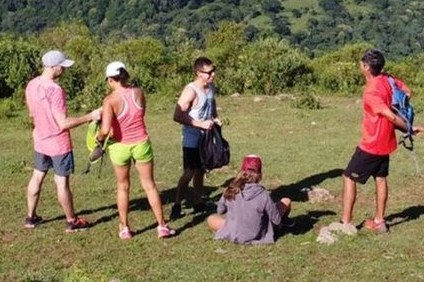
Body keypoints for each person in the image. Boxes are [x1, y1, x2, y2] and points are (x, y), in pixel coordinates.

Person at [340, 48, 423, 233]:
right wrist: (405, 120)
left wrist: (407, 127)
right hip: (387, 141)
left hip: (372, 143)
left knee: (348, 177)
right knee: (380, 178)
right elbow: (408, 92)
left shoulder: (371, 91)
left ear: (367, 67)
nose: (360, 65)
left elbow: (389, 116)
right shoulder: (389, 79)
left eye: (362, 63)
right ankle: (379, 220)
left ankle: (345, 223)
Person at [93, 61, 176, 239]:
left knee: (123, 187)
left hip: (119, 147)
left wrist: (97, 139)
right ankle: (162, 226)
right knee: (150, 185)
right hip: (141, 143)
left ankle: (124, 228)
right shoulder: (138, 92)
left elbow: (105, 130)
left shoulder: (110, 100)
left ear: (109, 80)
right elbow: (141, 113)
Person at [24, 49, 100, 232]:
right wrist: (90, 116)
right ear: (53, 67)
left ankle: (30, 217)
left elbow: (31, 114)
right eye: (62, 66)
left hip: (40, 139)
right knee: (61, 182)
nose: (64, 70)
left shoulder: (32, 85)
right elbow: (63, 123)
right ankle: (71, 221)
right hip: (58, 143)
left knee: (37, 176)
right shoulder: (55, 90)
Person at [171, 56, 220, 219]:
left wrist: (215, 118)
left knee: (201, 170)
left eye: (214, 70)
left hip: (206, 137)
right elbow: (177, 116)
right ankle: (177, 206)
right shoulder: (191, 90)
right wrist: (200, 124)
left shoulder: (210, 86)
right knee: (189, 173)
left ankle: (198, 203)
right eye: (209, 72)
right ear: (199, 73)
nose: (213, 74)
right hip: (192, 138)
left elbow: (211, 104)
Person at [206, 155, 291, 245]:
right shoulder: (263, 195)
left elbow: (220, 210)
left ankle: (232, 229)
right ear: (259, 174)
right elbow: (276, 220)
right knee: (286, 201)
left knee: (211, 219)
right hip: (257, 234)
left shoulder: (230, 189)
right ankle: (284, 225)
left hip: (234, 231)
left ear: (242, 171)